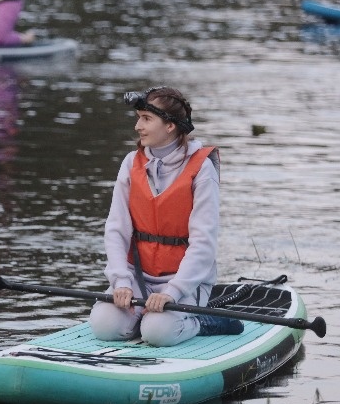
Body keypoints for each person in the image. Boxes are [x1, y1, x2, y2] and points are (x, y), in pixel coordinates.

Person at [88, 86, 241, 347]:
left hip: (184, 281)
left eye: (146, 119)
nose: (138, 126)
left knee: (158, 333)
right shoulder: (130, 163)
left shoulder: (202, 169)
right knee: (103, 325)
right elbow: (116, 230)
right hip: (136, 275)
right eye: (138, 118)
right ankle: (141, 319)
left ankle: (202, 321)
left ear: (170, 126)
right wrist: (121, 281)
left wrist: (174, 291)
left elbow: (203, 243)